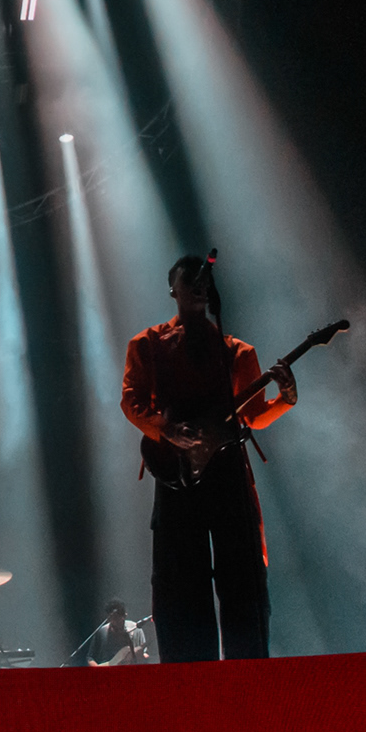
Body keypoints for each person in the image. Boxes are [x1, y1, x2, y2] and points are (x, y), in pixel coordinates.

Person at [121, 253, 296, 661]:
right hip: (176, 475)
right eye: (191, 278)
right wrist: (166, 430)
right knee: (181, 580)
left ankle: (248, 671)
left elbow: (253, 416)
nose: (201, 284)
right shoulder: (147, 345)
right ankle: (189, 677)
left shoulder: (236, 351)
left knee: (243, 577)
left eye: (205, 280)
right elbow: (131, 402)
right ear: (173, 289)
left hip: (228, 471)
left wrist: (285, 401)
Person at [87, 597, 149, 665]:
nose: (114, 623)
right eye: (112, 619)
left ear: (125, 616)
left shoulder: (136, 629)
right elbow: (90, 657)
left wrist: (141, 656)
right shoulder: (102, 632)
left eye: (118, 619)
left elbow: (145, 654)